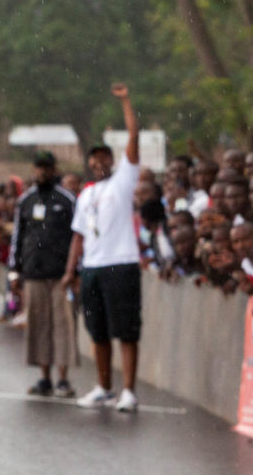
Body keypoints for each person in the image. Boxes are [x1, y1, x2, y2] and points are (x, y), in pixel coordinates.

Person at [63, 83, 142, 412]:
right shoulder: (86, 194)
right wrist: (71, 271)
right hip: (92, 269)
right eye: (93, 160)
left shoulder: (123, 181)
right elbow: (78, 236)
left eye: (104, 158)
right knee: (97, 332)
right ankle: (104, 386)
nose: (99, 163)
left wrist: (125, 102)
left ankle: (129, 391)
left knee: (125, 330)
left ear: (113, 159)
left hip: (121, 263)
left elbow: (134, 138)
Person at [9, 150, 79, 398]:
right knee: (39, 325)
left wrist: (75, 271)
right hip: (33, 273)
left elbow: (77, 237)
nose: (42, 172)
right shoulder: (25, 201)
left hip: (61, 275)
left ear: (54, 169)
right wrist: (14, 273)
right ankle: (44, 378)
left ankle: (63, 379)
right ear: (33, 169)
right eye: (38, 167)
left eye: (46, 168)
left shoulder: (68, 200)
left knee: (62, 326)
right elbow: (17, 237)